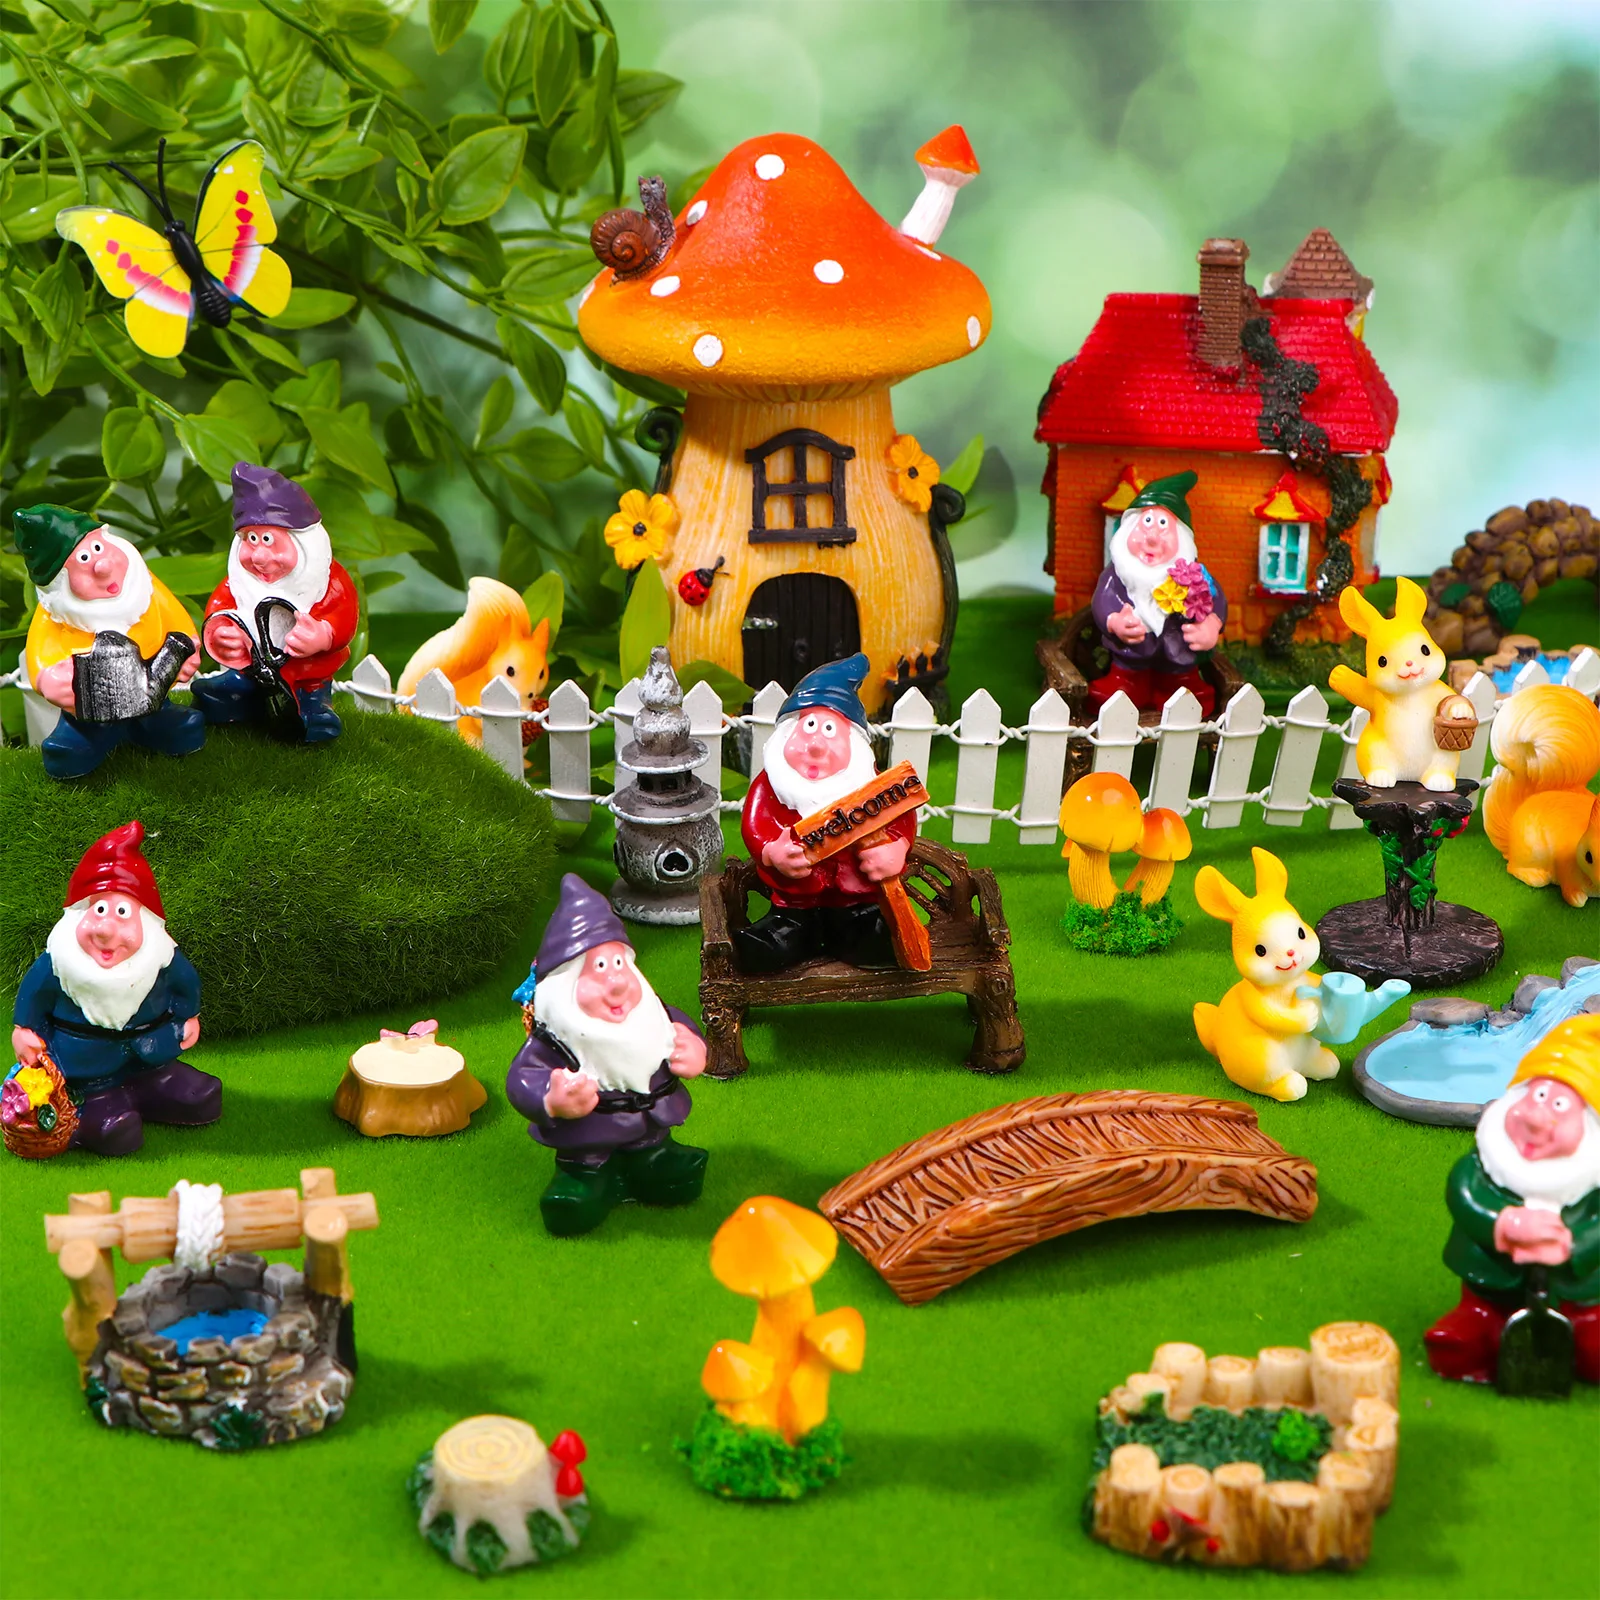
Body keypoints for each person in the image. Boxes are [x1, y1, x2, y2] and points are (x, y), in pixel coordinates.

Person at [506, 874, 708, 1236]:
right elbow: (523, 1078)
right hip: (586, 1139)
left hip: (650, 1127)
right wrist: (551, 1099)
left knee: (668, 1168)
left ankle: (654, 1161)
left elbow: (684, 1031)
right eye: (599, 968)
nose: (617, 984)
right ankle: (583, 1181)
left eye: (619, 965)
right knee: (582, 1183)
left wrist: (694, 1049)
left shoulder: (654, 1016)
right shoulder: (555, 1039)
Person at [11, 821, 220, 1157]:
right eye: (99, 910)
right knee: (114, 1126)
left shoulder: (160, 957)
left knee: (198, 1095)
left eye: (122, 912)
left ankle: (158, 1087)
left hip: (153, 1052)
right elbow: (33, 996)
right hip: (86, 1067)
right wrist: (25, 1030)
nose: (106, 930)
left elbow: (185, 985)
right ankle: (95, 1112)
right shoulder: (59, 964)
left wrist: (188, 1016)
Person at [1424, 1016, 1599, 1386]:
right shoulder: (1489, 1164)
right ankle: (1477, 1328)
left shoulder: (1590, 1180)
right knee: (1471, 1330)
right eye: (1538, 1097)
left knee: (1593, 1339)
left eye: (1559, 1105)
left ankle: (1584, 1341)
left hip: (1578, 1295)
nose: (1537, 1119)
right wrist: (1504, 1223)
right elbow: (1464, 1192)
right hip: (1492, 1285)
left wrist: (1571, 1244)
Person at [734, 653, 914, 974]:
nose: (816, 746)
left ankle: (864, 939)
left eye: (829, 730)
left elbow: (900, 818)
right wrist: (772, 851)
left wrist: (896, 848)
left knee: (868, 933)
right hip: (795, 898)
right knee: (785, 932)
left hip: (856, 897)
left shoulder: (872, 785)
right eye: (809, 727)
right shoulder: (772, 784)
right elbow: (754, 825)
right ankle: (783, 938)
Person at [15, 505, 204, 779]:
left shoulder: (142, 585)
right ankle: (82, 742)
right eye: (83, 559)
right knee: (71, 751)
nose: (102, 567)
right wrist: (51, 679)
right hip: (89, 708)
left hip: (153, 687)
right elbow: (40, 653)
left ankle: (157, 725)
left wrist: (189, 648)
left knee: (180, 727)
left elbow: (175, 619)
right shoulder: (56, 614)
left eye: (98, 549)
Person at [192, 463, 357, 743]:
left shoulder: (329, 582)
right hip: (250, 670)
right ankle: (241, 700)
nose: (258, 557)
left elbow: (343, 616)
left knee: (309, 718)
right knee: (216, 697)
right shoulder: (240, 581)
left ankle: (311, 710)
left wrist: (322, 635)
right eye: (251, 539)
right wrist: (222, 633)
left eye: (268, 540)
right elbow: (221, 608)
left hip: (306, 676)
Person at [1088, 470, 1226, 718]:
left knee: (1184, 690)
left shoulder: (1194, 576)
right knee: (1122, 685)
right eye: (1146, 524)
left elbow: (1215, 600)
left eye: (1163, 526)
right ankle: (1127, 684)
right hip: (1129, 658)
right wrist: (1115, 621)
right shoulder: (1118, 574)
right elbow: (1102, 601)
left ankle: (1179, 687)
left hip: (1179, 658)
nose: (1151, 538)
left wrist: (1211, 624)